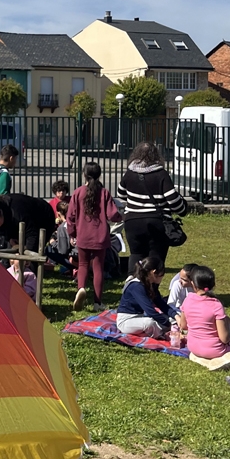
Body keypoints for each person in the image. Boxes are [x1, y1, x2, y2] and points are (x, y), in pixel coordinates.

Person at [117, 141, 186, 272]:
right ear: (156, 156)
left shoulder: (129, 173)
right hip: (156, 222)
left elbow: (121, 194)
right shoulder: (161, 174)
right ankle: (152, 290)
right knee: (156, 257)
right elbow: (173, 200)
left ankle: (134, 286)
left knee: (136, 255)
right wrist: (183, 209)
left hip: (132, 221)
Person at [67, 163, 123, 309]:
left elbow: (71, 216)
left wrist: (72, 233)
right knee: (98, 267)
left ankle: (80, 288)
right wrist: (121, 216)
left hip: (83, 235)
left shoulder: (78, 192)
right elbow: (112, 214)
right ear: (99, 175)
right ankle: (97, 302)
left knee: (83, 264)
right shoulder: (104, 193)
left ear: (84, 174)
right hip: (100, 236)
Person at [0, 192, 56, 261]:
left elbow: (32, 235)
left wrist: (27, 258)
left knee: (32, 252)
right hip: (15, 222)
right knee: (11, 249)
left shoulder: (17, 212)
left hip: (43, 218)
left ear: (1, 212)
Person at [115, 257, 172, 337]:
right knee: (150, 323)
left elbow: (161, 303)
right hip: (126, 321)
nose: (162, 277)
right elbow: (150, 310)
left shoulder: (150, 284)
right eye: (162, 274)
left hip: (140, 317)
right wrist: (169, 324)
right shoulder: (136, 286)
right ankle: (161, 334)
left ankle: (154, 331)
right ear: (154, 272)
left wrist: (176, 316)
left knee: (166, 318)